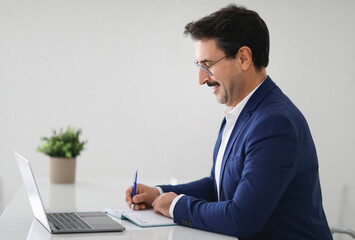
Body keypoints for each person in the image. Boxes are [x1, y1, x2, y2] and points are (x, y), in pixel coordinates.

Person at [125, 4, 333, 240]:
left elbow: (241, 219)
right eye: (199, 66)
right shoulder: (238, 111)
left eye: (208, 65)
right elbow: (218, 187)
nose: (201, 78)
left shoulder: (275, 123)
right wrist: (159, 194)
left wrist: (175, 206)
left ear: (243, 58)